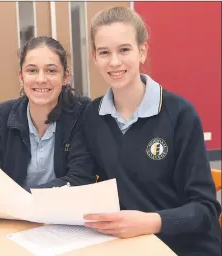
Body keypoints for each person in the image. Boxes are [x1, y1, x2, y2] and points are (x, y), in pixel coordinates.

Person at [82, 6, 221, 256]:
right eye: (104, 52)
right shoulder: (92, 116)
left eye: (124, 49)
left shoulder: (180, 114)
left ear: (142, 51)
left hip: (185, 247)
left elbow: (206, 208)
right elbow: (82, 180)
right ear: (94, 57)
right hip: (128, 246)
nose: (114, 61)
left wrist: (149, 222)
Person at [0, 36, 96, 224]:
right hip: (12, 222)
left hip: (64, 222)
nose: (41, 79)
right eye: (32, 70)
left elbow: (80, 179)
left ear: (65, 77)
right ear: (21, 76)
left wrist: (13, 197)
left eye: (51, 70)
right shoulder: (0, 117)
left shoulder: (82, 114)